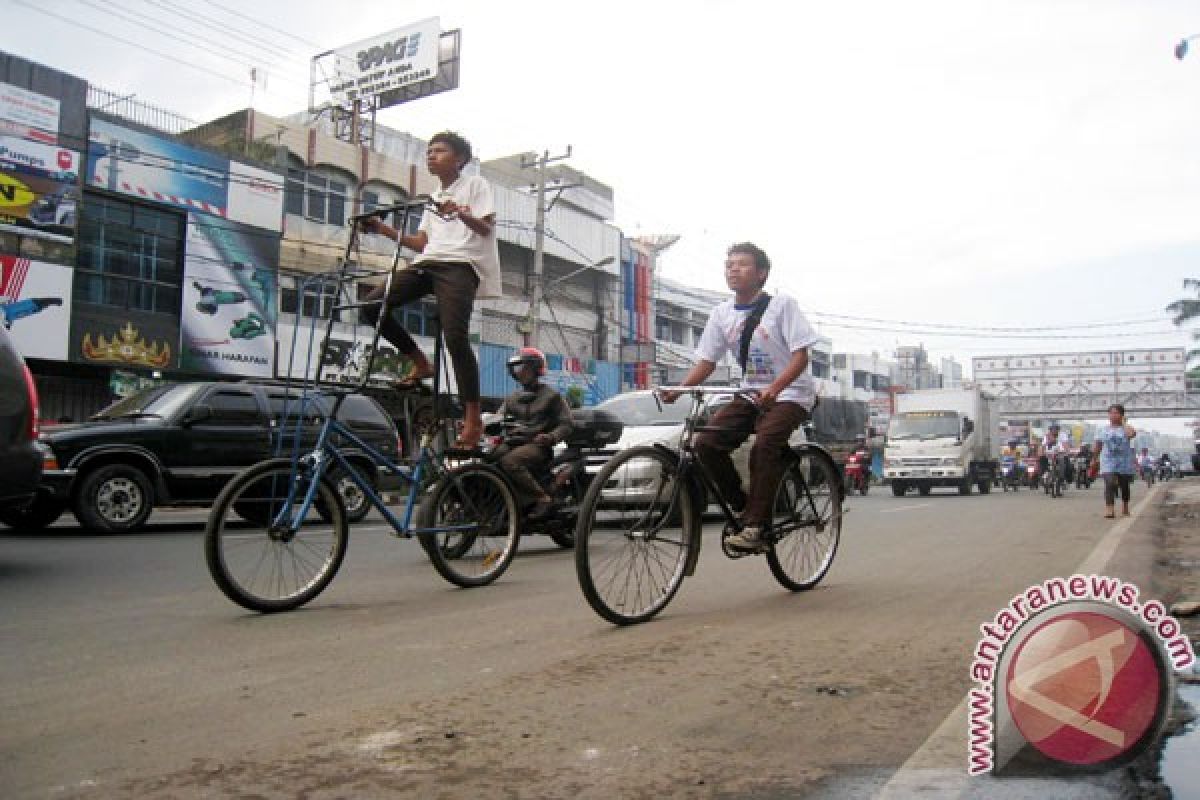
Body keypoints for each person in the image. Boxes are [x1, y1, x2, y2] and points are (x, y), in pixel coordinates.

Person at [665, 242, 819, 553]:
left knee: (764, 445)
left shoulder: (782, 306)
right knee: (706, 443)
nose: (733, 269)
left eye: (742, 264)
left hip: (791, 393)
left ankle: (756, 527)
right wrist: (679, 388)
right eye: (729, 264)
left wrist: (774, 389)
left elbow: (800, 357)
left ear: (761, 274)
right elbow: (707, 361)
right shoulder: (721, 314)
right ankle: (744, 509)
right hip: (750, 392)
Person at [359, 131, 500, 448]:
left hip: (461, 264)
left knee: (455, 337)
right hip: (429, 261)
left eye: (439, 151)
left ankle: (473, 417)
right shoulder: (433, 196)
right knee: (370, 306)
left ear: (459, 158)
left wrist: (461, 212)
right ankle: (421, 362)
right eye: (428, 151)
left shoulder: (476, 185)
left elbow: (487, 227)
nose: (431, 155)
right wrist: (381, 228)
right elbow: (420, 243)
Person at [492, 347, 574, 518]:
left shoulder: (552, 396)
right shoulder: (512, 398)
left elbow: (566, 424)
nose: (521, 372)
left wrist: (551, 437)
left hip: (537, 446)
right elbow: (496, 419)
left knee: (510, 461)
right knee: (490, 456)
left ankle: (542, 498)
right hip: (513, 442)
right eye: (517, 368)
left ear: (537, 369)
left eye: (525, 368)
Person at [1092, 404, 1136, 518]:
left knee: (1124, 485)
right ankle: (1109, 509)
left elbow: (1131, 434)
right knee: (1109, 482)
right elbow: (1098, 445)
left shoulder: (1126, 428)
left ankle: (1125, 506)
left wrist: (1123, 423)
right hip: (1108, 460)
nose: (1113, 415)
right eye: (1111, 413)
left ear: (1122, 415)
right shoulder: (1102, 430)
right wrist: (1094, 459)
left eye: (1116, 413)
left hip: (1124, 461)